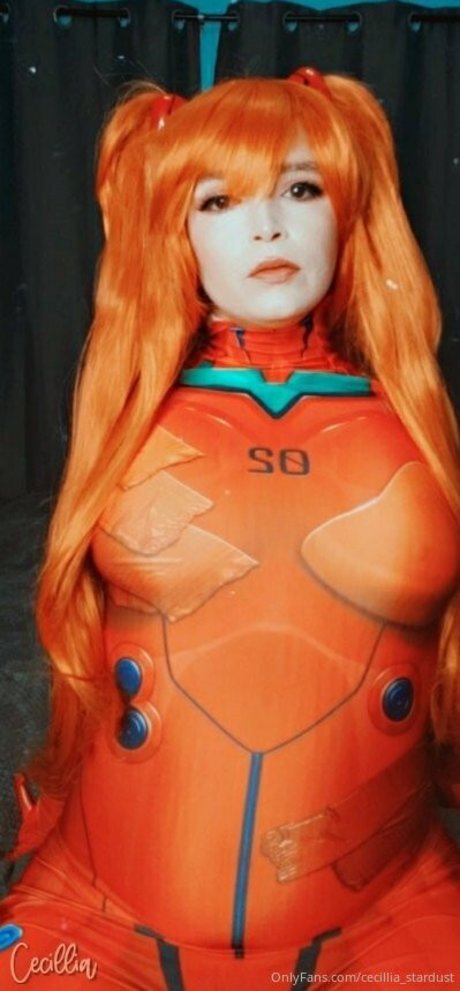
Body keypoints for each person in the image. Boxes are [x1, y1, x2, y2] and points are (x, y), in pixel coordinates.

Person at [0, 66, 459, 990]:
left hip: (387, 914)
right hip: (98, 913)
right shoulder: (127, 427)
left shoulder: (415, 429)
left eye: (301, 189)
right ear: (176, 230)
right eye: (220, 200)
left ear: (349, 210)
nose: (268, 227)